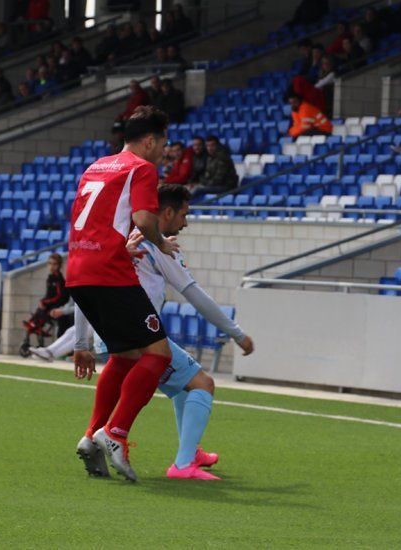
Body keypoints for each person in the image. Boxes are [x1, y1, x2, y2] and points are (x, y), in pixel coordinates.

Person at [69, 106, 180, 482]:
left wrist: (117, 247)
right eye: (163, 143)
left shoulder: (97, 165)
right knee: (158, 355)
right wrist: (160, 243)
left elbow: (96, 220)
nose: (164, 151)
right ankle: (115, 432)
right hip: (109, 273)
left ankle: (90, 437)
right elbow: (144, 220)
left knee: (126, 354)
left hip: (79, 270)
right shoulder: (142, 168)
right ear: (150, 140)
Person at [126, 184, 255, 479]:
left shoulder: (130, 236)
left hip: (119, 331)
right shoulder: (157, 246)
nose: (185, 223)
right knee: (204, 384)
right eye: (184, 214)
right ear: (167, 212)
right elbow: (195, 296)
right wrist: (237, 334)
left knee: (185, 384)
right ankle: (183, 465)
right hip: (144, 336)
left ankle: (191, 450)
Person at [24, 254, 69, 339]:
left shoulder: (59, 279)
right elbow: (49, 295)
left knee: (43, 309)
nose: (51, 266)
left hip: (59, 306)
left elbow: (58, 296)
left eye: (54, 264)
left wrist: (44, 302)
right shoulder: (50, 278)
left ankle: (36, 325)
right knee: (40, 309)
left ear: (59, 265)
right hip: (51, 304)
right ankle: (34, 324)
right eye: (50, 263)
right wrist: (43, 301)